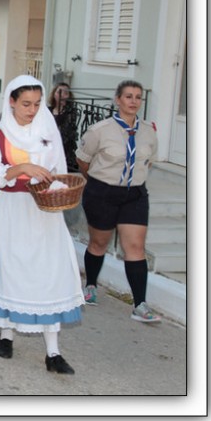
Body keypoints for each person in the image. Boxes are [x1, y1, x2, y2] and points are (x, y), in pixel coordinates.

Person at [0, 75, 83, 375]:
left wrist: (55, 186)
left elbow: (58, 170)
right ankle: (6, 333)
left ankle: (53, 352)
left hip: (45, 211)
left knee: (49, 276)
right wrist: (21, 168)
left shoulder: (48, 131)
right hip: (12, 210)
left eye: (36, 104)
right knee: (13, 272)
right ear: (11, 101)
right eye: (25, 104)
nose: (32, 110)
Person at [75, 80, 161, 323]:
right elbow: (83, 160)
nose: (134, 101)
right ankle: (91, 285)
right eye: (128, 96)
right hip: (102, 193)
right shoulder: (100, 130)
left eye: (138, 97)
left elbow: (149, 161)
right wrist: (97, 181)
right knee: (99, 242)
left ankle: (140, 304)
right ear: (118, 100)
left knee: (135, 247)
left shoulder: (148, 131)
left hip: (134, 195)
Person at [49, 82, 78, 172]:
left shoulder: (70, 112)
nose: (62, 95)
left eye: (66, 93)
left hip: (64, 151)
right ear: (54, 94)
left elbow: (65, 132)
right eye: (59, 92)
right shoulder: (48, 110)